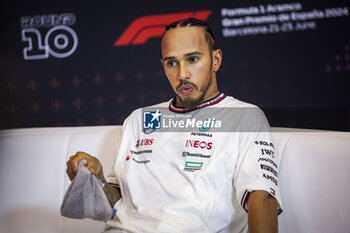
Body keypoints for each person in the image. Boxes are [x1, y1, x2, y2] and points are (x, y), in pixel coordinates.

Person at [66, 18, 282, 233]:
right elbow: (119, 206)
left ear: (216, 60)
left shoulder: (244, 117)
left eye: (193, 59)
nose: (182, 75)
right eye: (172, 63)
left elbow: (261, 197)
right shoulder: (139, 120)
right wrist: (96, 179)